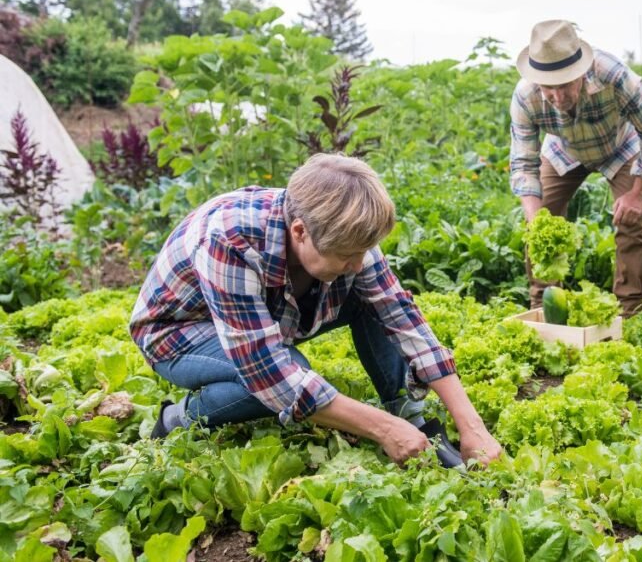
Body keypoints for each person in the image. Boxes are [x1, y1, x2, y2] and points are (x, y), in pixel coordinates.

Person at [129, 153, 502, 467]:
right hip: (179, 332)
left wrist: (472, 426)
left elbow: (400, 315)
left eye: (363, 252)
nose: (359, 264)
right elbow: (271, 374)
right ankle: (178, 418)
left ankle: (409, 414)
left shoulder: (340, 231)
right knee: (287, 374)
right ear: (300, 231)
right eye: (346, 256)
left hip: (266, 313)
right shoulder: (229, 240)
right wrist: (382, 428)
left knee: (369, 297)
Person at [509, 19, 642, 316]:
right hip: (562, 150)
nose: (557, 97)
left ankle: (632, 310)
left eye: (565, 85)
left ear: (581, 72)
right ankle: (545, 306)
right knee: (542, 221)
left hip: (619, 147)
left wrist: (640, 193)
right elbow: (523, 162)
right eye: (548, 88)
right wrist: (535, 218)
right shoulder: (525, 96)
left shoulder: (615, 76)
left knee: (631, 220)